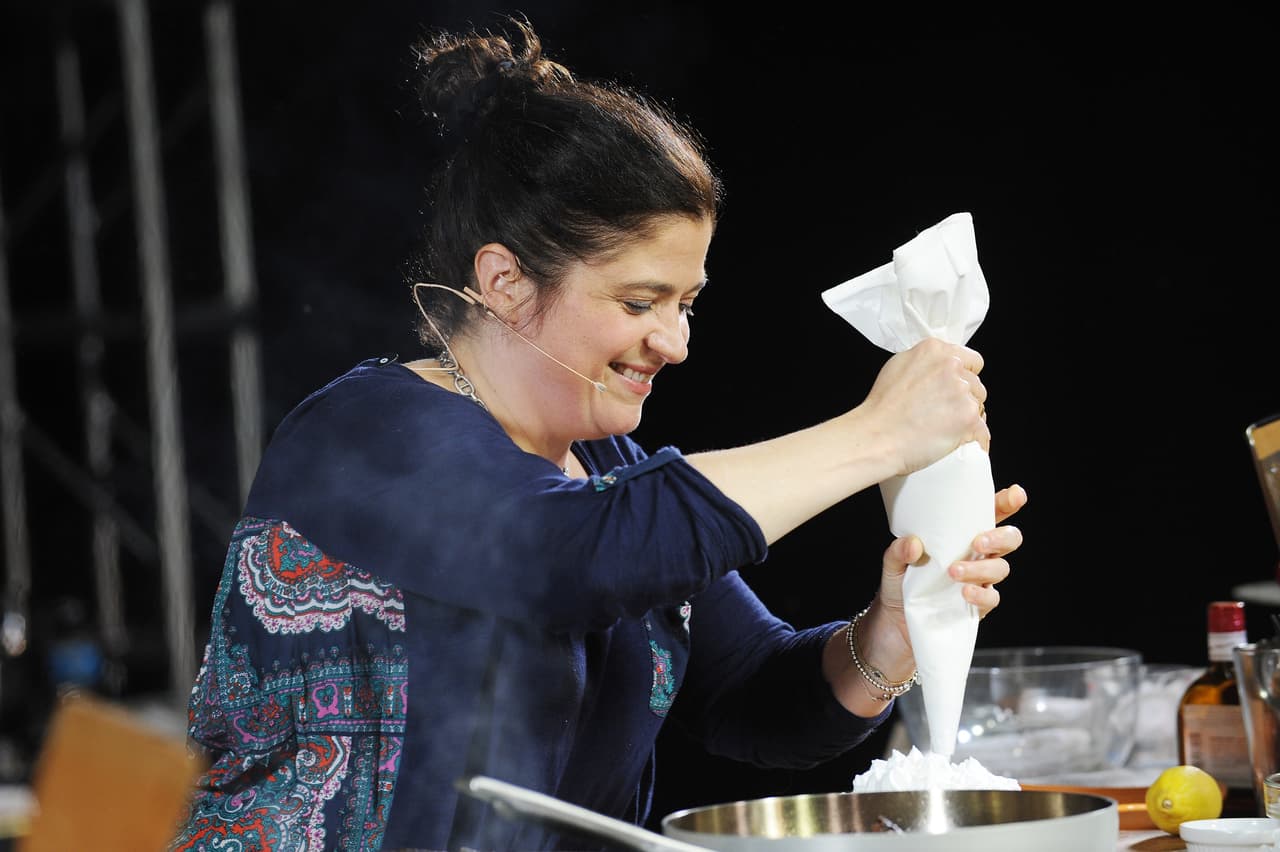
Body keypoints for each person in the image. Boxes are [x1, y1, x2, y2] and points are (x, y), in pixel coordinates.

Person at [170, 15, 1026, 852]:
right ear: (503, 281)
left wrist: (885, 634)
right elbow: (569, 560)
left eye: (686, 304)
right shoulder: (367, 435)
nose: (677, 341)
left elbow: (748, 696)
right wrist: (876, 434)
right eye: (639, 302)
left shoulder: (608, 469)